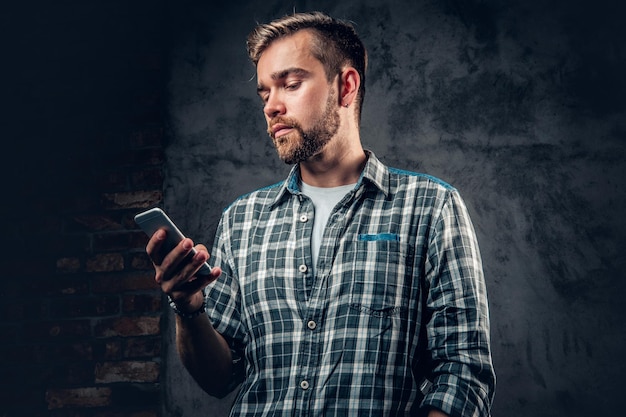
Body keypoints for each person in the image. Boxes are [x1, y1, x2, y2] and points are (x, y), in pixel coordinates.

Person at [147, 11, 495, 417]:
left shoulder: (431, 208)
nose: (272, 107)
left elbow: (463, 374)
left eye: (290, 85)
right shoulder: (241, 221)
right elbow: (219, 378)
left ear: (345, 86)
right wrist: (189, 307)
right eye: (264, 94)